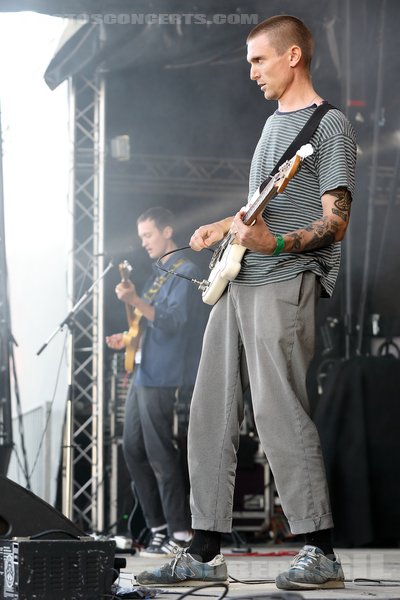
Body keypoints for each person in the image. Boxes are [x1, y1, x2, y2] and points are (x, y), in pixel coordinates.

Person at [136, 15, 357, 590]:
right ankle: (205, 551)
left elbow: (336, 222)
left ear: (293, 56)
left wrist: (274, 242)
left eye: (259, 60)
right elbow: (260, 203)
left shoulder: (330, 126)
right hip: (239, 279)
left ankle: (320, 551)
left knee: (278, 409)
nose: (251, 71)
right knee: (211, 411)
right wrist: (222, 226)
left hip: (284, 279)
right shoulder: (271, 125)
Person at [106, 206, 208, 557]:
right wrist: (127, 336)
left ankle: (179, 531)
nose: (144, 242)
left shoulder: (186, 270)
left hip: (163, 373)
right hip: (143, 370)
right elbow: (148, 321)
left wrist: (134, 300)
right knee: (132, 448)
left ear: (167, 231)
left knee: (159, 451)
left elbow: (175, 320)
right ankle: (158, 528)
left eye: (148, 235)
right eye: (141, 237)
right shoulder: (157, 275)